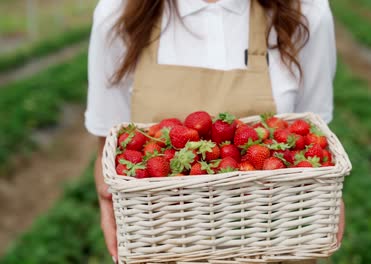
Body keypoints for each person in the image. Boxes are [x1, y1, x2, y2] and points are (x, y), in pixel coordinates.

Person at [86, 0, 345, 263]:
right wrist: (107, 196)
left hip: (273, 241)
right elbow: (109, 148)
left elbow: (314, 138)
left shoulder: (307, 12)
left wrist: (327, 193)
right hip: (164, 246)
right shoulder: (118, 14)